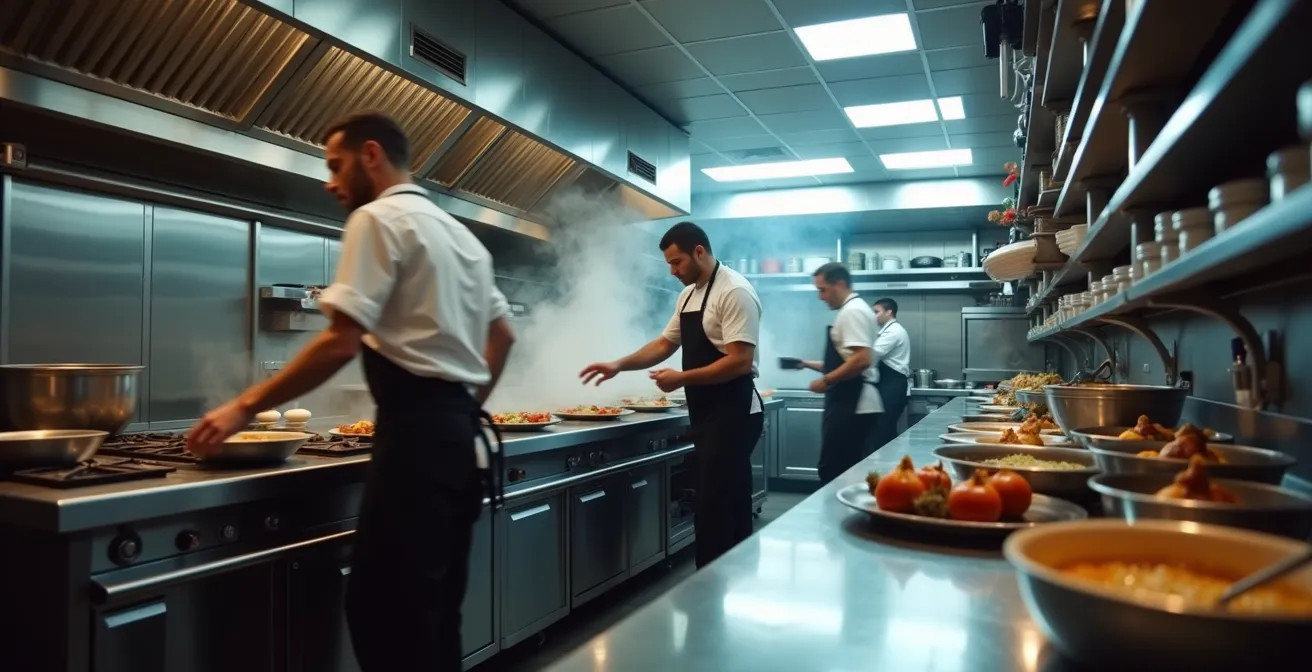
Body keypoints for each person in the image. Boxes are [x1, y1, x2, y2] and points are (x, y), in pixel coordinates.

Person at [185, 111, 516, 672]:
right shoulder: (462, 238)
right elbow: (504, 337)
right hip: (459, 441)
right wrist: (459, 409)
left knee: (384, 613)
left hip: (414, 442)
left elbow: (341, 342)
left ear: (371, 155)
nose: (329, 181)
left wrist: (244, 405)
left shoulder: (378, 219)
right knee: (434, 612)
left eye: (334, 166)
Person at [579, 221, 763, 569]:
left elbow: (740, 362)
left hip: (735, 411)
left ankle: (708, 583)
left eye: (676, 262)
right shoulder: (689, 294)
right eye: (668, 264)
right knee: (730, 497)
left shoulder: (734, 291)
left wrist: (681, 378)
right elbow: (665, 344)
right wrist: (619, 364)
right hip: (707, 411)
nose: (672, 271)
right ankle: (735, 574)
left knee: (713, 502)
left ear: (699, 252)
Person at [783, 262, 881, 483]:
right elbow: (848, 359)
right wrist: (807, 364)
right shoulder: (855, 309)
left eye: (822, 290)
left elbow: (861, 359)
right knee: (844, 468)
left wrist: (826, 380)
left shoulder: (852, 311)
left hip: (852, 401)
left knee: (836, 470)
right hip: (852, 399)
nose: (820, 297)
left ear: (840, 284)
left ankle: (839, 516)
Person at [870, 297, 912, 451]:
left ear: (889, 312)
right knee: (882, 431)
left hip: (892, 386)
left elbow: (872, 354)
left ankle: (887, 470)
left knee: (883, 431)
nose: (873, 315)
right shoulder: (886, 331)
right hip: (887, 386)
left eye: (876, 312)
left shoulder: (894, 332)